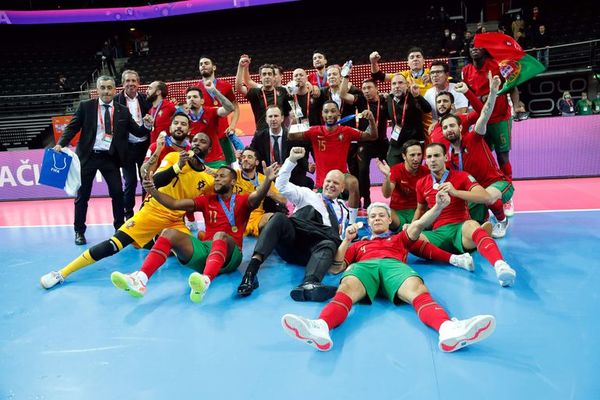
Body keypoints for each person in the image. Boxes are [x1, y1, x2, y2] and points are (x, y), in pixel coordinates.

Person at [281, 198, 496, 353]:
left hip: (394, 266)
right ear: (368, 222)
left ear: (387, 220)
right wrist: (346, 240)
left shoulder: (399, 238)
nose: (376, 219)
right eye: (372, 216)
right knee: (346, 286)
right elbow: (336, 267)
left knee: (419, 290)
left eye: (381, 216)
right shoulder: (359, 244)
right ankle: (321, 327)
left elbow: (419, 225)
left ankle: (448, 329)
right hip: (366, 267)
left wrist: (439, 206)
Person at [40, 130, 214, 289]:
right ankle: (62, 273)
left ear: (210, 149)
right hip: (152, 212)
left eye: (203, 141)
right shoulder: (175, 157)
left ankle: (158, 250)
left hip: (175, 222)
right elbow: (156, 182)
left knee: (197, 258)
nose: (198, 143)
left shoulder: (208, 179)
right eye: (195, 140)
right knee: (113, 245)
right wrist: (178, 167)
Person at [110, 163, 279, 302]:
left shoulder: (243, 199)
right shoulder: (206, 200)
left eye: (222, 176)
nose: (217, 178)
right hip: (207, 252)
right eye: (216, 176)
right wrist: (153, 191)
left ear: (233, 181)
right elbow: (175, 204)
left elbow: (256, 197)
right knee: (169, 233)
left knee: (220, 235)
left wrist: (267, 181)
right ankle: (141, 279)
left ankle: (205, 281)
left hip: (231, 255)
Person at [52, 76, 153, 245]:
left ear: (115, 90)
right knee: (82, 196)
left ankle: (119, 228)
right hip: (87, 158)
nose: (106, 91)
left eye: (110, 88)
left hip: (110, 158)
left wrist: (147, 126)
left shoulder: (122, 110)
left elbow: (137, 131)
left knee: (117, 194)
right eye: (103, 88)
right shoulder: (86, 106)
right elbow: (72, 127)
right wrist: (61, 144)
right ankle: (79, 231)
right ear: (97, 90)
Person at [237, 147, 348, 299]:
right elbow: (282, 186)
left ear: (342, 187)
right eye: (328, 181)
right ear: (323, 182)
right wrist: (291, 161)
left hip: (313, 252)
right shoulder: (307, 194)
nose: (331, 185)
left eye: (336, 183)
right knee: (280, 217)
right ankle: (251, 273)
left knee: (329, 243)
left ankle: (309, 284)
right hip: (294, 240)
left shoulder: (344, 211)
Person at [415, 143, 517, 287]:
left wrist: (456, 192)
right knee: (410, 238)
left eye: (436, 155)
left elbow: (486, 197)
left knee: (472, 225)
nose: (432, 160)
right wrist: (411, 226)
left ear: (445, 157)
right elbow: (420, 210)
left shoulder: (462, 176)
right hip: (438, 234)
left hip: (461, 230)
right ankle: (456, 259)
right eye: (429, 157)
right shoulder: (421, 183)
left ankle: (500, 266)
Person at [376, 140, 475, 270]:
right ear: (404, 156)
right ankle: (382, 237)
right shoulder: (395, 170)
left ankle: (469, 234)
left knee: (418, 231)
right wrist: (387, 177)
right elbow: (386, 194)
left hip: (420, 213)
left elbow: (423, 207)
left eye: (419, 155)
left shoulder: (427, 172)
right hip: (399, 213)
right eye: (412, 155)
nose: (416, 158)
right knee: (384, 211)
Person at [441, 74, 514, 238]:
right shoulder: (449, 156)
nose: (449, 129)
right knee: (471, 223)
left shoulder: (474, 137)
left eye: (452, 125)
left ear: (460, 128)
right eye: (445, 128)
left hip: (499, 184)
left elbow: (484, 115)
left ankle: (502, 221)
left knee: (487, 196)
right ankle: (484, 218)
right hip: (476, 193)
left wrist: (493, 92)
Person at [287, 101, 378, 224]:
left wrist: (371, 120)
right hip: (322, 183)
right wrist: (292, 119)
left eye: (333, 111)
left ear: (339, 113)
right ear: (322, 115)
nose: (329, 114)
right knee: (323, 219)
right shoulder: (314, 131)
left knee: (353, 183)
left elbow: (372, 136)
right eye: (326, 111)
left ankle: (351, 223)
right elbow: (291, 136)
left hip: (342, 177)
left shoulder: (346, 131)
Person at [462, 44, 522, 216]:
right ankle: (485, 197)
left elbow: (513, 88)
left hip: (500, 118)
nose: (474, 48)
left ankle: (507, 196)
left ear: (485, 50)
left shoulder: (498, 65)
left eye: (478, 47)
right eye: (471, 46)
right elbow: (470, 96)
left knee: (503, 156)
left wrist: (516, 107)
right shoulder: (466, 71)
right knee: (484, 161)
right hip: (482, 120)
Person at [339, 75, 389, 208]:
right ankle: (366, 198)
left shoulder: (385, 101)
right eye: (364, 88)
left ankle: (397, 195)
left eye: (369, 88)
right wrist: (345, 76)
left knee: (393, 168)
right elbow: (343, 94)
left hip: (382, 142)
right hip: (365, 142)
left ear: (377, 89)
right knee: (362, 171)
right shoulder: (361, 100)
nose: (366, 91)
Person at [116, 70, 151, 219]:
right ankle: (128, 215)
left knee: (146, 181)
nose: (130, 84)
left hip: (145, 146)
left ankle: (144, 211)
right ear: (123, 84)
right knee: (130, 182)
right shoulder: (116, 100)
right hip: (127, 148)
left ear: (138, 83)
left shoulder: (145, 98)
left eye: (133, 81)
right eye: (127, 81)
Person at [250, 105, 313, 189]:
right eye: (270, 116)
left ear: (282, 118)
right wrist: (241, 154)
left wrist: (308, 167)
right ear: (266, 119)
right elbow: (252, 152)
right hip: (268, 176)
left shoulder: (292, 136)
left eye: (276, 116)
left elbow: (301, 158)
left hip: (289, 175)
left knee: (308, 183)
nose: (273, 119)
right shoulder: (259, 137)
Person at [234, 147, 287, 237]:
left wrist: (268, 192)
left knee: (275, 218)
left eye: (250, 157)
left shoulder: (264, 179)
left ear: (257, 162)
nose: (246, 159)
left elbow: (283, 200)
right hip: (236, 218)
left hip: (257, 218)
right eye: (243, 157)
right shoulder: (233, 175)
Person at [198, 56, 240, 164]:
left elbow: (235, 107)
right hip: (205, 136)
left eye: (206, 63)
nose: (203, 65)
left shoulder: (226, 86)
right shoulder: (195, 89)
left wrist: (232, 126)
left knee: (227, 166)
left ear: (214, 67)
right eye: (201, 64)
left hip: (222, 134)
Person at [385, 74, 432, 166]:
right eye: (394, 84)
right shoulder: (389, 98)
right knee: (394, 171)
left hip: (414, 142)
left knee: (413, 173)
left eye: (400, 83)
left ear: (407, 85)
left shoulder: (413, 96)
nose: (397, 86)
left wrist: (418, 96)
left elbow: (427, 109)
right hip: (396, 142)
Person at [235, 56, 291, 132]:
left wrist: (287, 130)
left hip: (279, 133)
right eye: (264, 74)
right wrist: (241, 66)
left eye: (269, 74)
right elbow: (239, 88)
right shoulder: (255, 92)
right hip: (261, 134)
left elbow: (287, 114)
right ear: (260, 78)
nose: (267, 77)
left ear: (274, 77)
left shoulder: (283, 91)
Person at [184, 84, 234, 167]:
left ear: (202, 101)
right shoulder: (184, 119)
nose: (191, 99)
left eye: (195, 97)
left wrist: (214, 91)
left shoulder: (211, 112)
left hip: (215, 160)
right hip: (195, 162)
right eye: (189, 97)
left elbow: (230, 108)